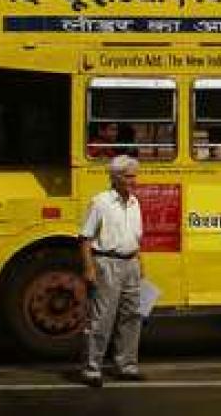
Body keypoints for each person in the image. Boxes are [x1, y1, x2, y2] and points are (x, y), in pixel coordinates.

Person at [79, 155, 145, 387]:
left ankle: (127, 366)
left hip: (131, 263)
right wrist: (89, 268)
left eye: (134, 176)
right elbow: (85, 238)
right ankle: (91, 369)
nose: (133, 181)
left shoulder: (135, 203)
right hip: (107, 263)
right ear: (115, 178)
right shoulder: (100, 202)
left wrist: (140, 263)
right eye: (128, 177)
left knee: (132, 316)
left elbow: (135, 237)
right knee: (102, 318)